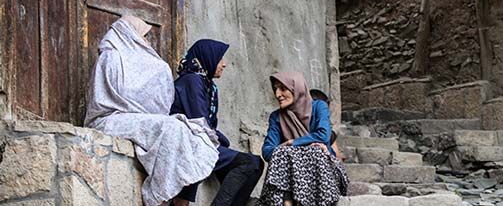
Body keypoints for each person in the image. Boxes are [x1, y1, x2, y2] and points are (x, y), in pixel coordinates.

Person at [85, 16, 219, 206]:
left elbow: (159, 106)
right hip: (110, 119)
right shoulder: (111, 57)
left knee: (192, 132)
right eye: (143, 35)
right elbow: (107, 99)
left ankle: (179, 201)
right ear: (130, 34)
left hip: (136, 119)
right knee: (172, 128)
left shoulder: (148, 64)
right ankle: (158, 198)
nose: (147, 41)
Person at [171, 39, 264, 206]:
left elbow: (209, 124)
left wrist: (219, 139)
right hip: (190, 142)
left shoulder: (208, 86)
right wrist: (221, 140)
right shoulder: (192, 80)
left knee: (255, 164)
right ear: (209, 58)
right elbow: (200, 121)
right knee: (250, 163)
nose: (224, 64)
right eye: (220, 59)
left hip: (201, 141)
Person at [257, 72, 348, 206]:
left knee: (315, 153)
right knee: (284, 153)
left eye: (283, 88)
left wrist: (291, 142)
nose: (277, 94)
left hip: (322, 176)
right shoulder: (276, 117)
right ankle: (287, 202)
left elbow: (323, 135)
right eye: (275, 89)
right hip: (289, 178)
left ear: (297, 88)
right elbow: (267, 151)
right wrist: (297, 150)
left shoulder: (318, 107)